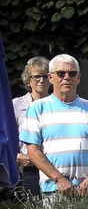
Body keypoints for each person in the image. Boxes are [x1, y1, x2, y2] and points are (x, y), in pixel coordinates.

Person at [20, 54, 88, 198]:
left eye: (72, 73)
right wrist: (59, 179)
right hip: (54, 189)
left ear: (79, 78)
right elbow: (33, 151)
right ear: (51, 78)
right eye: (61, 73)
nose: (67, 77)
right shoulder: (37, 109)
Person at [13, 56, 50, 196]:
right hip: (29, 168)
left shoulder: (57, 104)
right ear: (28, 80)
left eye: (45, 76)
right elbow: (6, 138)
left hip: (55, 165)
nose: (41, 80)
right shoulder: (16, 105)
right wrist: (17, 156)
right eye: (36, 77)